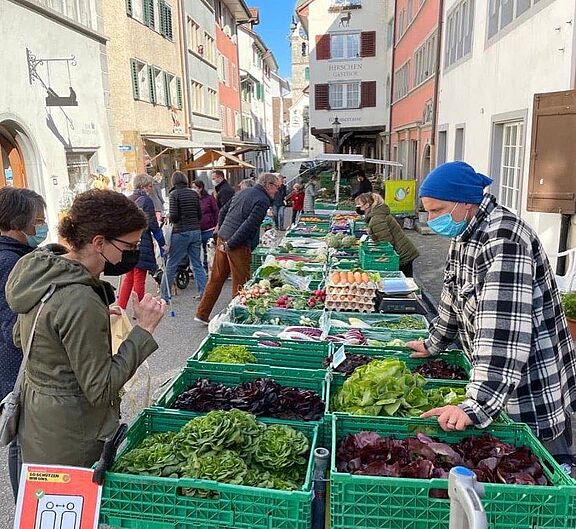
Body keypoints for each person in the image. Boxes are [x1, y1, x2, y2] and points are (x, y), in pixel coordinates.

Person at [408, 161, 576, 470]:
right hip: (498, 380)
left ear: (466, 203)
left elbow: (504, 334)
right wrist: (434, 343)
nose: (431, 220)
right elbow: (452, 294)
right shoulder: (466, 233)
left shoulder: (504, 240)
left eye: (437, 210)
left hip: (531, 384)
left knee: (538, 466)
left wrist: (475, 406)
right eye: (427, 211)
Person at [5, 189, 166, 468]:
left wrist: (82, 326)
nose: (131, 254)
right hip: (71, 437)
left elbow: (22, 337)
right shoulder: (80, 300)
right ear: (99, 242)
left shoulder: (44, 273)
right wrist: (144, 330)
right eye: (128, 246)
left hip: (39, 423)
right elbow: (101, 388)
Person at [0, 188, 47, 499]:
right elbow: (11, 327)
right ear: (18, 224)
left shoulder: (16, 256)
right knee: (21, 439)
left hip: (12, 364)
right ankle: (25, 507)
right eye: (38, 222)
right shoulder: (9, 262)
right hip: (14, 366)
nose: (42, 227)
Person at [195, 173, 280, 324]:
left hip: (224, 236)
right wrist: (231, 244)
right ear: (269, 185)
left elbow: (223, 211)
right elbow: (249, 225)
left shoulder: (243, 192)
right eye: (276, 187)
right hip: (237, 244)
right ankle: (237, 319)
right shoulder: (263, 200)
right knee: (241, 282)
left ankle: (202, 313)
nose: (277, 191)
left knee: (216, 277)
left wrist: (221, 232)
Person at [117, 174, 166, 309]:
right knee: (139, 277)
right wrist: (162, 243)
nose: (151, 189)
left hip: (126, 243)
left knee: (129, 277)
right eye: (150, 186)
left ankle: (120, 308)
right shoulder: (146, 201)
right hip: (141, 241)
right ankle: (138, 309)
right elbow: (153, 225)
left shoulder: (127, 200)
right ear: (143, 186)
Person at [162, 171, 207, 300]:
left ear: (173, 181)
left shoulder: (173, 194)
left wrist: (170, 217)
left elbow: (174, 216)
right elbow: (199, 214)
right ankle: (204, 293)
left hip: (180, 232)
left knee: (172, 264)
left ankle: (165, 295)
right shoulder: (194, 193)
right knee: (197, 263)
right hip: (195, 231)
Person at [355, 192, 419, 276]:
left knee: (405, 279)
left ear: (366, 205)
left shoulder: (377, 219)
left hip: (402, 253)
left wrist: (383, 257)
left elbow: (386, 242)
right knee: (406, 277)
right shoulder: (378, 214)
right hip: (403, 249)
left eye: (359, 204)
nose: (357, 206)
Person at [191, 179, 219, 271]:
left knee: (209, 250)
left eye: (195, 187)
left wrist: (216, 225)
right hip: (197, 229)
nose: (193, 189)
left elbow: (216, 211)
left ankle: (211, 268)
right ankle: (204, 268)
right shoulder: (192, 199)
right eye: (192, 187)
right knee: (200, 251)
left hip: (209, 228)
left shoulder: (209, 198)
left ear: (201, 188)